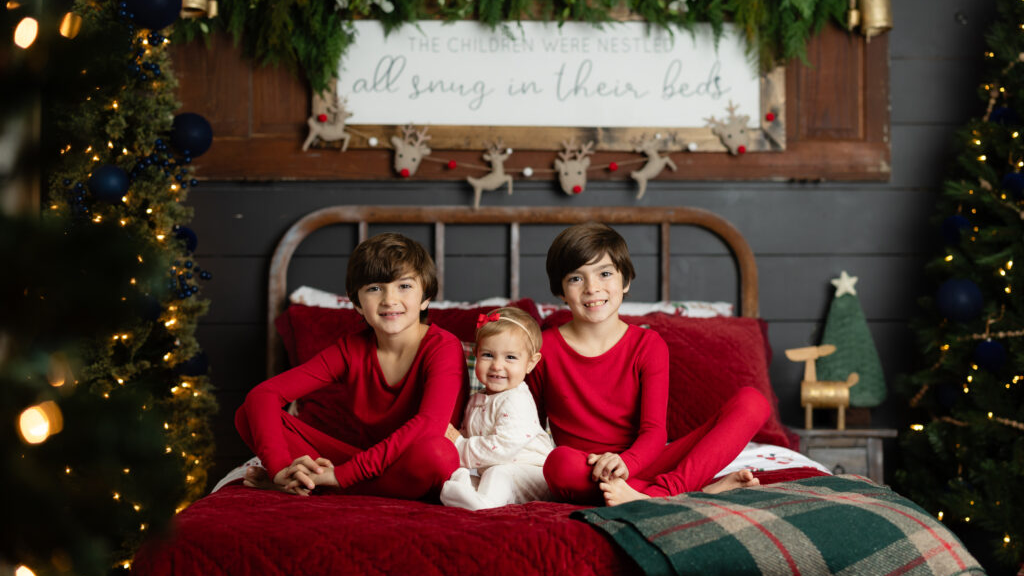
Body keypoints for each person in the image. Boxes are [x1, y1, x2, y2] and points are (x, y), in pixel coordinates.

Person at [527, 221, 770, 507]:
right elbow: (529, 430)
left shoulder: (648, 345)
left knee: (753, 402)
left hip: (643, 462)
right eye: (576, 279)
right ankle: (691, 494)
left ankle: (660, 493)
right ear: (560, 291)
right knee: (559, 463)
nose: (592, 288)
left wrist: (627, 462)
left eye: (605, 273)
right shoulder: (543, 349)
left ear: (625, 280)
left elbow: (654, 432)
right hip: (585, 470)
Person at [235, 232, 468, 499]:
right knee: (248, 414)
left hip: (411, 463)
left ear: (425, 297)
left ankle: (325, 486)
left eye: (404, 286)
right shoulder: (350, 349)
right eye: (374, 288)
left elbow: (428, 424)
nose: (389, 299)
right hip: (365, 464)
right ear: (356, 302)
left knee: (439, 453)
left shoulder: (443, 346)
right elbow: (264, 395)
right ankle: (294, 480)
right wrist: (278, 470)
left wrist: (340, 475)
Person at [440, 306, 553, 510]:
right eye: (488, 355)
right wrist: (457, 442)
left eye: (510, 357)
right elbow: (469, 433)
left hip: (533, 473)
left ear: (530, 363)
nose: (497, 366)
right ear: (475, 354)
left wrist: (457, 443)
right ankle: (466, 493)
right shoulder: (477, 399)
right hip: (494, 469)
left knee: (497, 473)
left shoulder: (516, 399)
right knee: (463, 473)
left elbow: (502, 448)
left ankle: (483, 504)